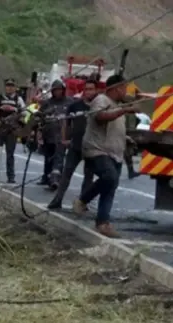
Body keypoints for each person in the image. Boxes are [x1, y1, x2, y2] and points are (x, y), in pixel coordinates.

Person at [74, 73, 138, 238]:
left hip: (114, 153)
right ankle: (82, 200)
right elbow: (100, 117)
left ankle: (103, 223)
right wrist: (124, 110)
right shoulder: (101, 100)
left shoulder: (116, 104)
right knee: (109, 178)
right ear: (115, 88)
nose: (125, 91)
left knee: (110, 186)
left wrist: (126, 139)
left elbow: (114, 130)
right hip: (97, 150)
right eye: (124, 87)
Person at [48, 78, 98, 210]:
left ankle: (82, 203)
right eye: (86, 89)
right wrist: (64, 139)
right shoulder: (75, 106)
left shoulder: (98, 107)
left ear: (96, 90)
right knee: (66, 175)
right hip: (75, 145)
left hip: (91, 147)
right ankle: (57, 200)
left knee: (88, 177)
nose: (88, 92)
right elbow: (66, 122)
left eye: (91, 89)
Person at [0, 78, 26, 184]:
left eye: (12, 86)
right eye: (8, 86)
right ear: (5, 87)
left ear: (15, 87)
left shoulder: (18, 99)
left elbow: (24, 112)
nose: (9, 88)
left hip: (12, 130)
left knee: (10, 154)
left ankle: (11, 177)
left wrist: (14, 109)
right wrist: (0, 109)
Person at [38, 79, 73, 190]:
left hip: (62, 136)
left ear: (63, 90)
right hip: (48, 135)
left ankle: (55, 180)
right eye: (55, 90)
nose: (57, 92)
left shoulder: (70, 103)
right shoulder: (47, 103)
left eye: (59, 90)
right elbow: (40, 118)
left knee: (59, 158)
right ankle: (46, 177)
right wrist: (38, 133)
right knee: (48, 158)